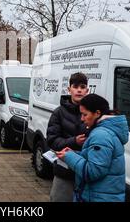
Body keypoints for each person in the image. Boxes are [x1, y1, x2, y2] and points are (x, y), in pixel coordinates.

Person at [57, 94, 129, 202]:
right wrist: (76, 154)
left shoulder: (101, 135)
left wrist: (69, 157)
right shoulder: (107, 130)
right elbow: (99, 160)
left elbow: (93, 172)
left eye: (84, 114)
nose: (82, 119)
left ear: (97, 113)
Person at [47, 72, 89, 202]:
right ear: (69, 89)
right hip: (64, 172)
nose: (79, 90)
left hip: (85, 172)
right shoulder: (58, 112)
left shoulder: (92, 112)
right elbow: (52, 140)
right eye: (75, 87)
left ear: (87, 90)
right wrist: (74, 141)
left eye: (82, 87)